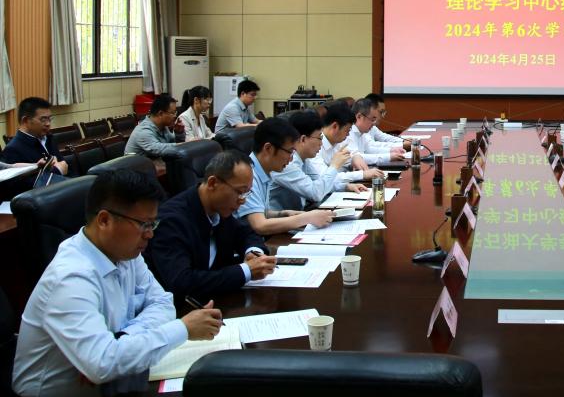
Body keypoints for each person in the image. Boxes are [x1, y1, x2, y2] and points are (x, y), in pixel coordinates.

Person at [12, 170, 222, 396]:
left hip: (115, 384)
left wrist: (122, 339)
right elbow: (102, 363)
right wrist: (183, 329)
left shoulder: (125, 253)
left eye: (153, 224)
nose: (150, 234)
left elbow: (163, 303)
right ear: (104, 220)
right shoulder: (70, 279)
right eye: (144, 224)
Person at [145, 150, 276, 300]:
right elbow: (182, 282)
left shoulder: (219, 208)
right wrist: (246, 271)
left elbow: (246, 233)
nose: (243, 200)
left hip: (217, 300)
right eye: (240, 192)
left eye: (246, 193)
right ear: (213, 183)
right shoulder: (172, 221)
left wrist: (252, 252)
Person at [234, 117, 333, 236]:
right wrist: (306, 218)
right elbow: (260, 225)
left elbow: (258, 212)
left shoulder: (264, 170)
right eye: (289, 152)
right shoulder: (249, 174)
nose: (291, 158)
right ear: (268, 148)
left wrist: (283, 214)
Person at [268, 110, 368, 212]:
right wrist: (334, 166)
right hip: (281, 219)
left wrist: (345, 186)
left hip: (299, 214)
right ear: (303, 139)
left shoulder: (304, 159)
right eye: (319, 138)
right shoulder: (288, 163)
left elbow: (319, 182)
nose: (321, 143)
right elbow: (316, 193)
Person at [1, 96, 69, 179]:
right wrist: (57, 171)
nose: (48, 124)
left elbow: (63, 165)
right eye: (43, 119)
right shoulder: (12, 149)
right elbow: (24, 184)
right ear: (25, 120)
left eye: (50, 119)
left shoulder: (49, 138)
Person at [318, 103, 385, 182]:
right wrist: (362, 175)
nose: (348, 134)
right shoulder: (316, 146)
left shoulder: (338, 141)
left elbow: (353, 155)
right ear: (335, 126)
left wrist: (355, 157)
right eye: (347, 130)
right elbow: (326, 178)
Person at [343, 98, 405, 166]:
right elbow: (356, 157)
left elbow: (368, 150)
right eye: (372, 120)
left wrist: (391, 151)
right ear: (359, 117)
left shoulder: (362, 132)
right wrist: (388, 157)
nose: (374, 123)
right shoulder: (348, 133)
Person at [125, 94, 184, 159]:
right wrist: (186, 145)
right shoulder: (143, 131)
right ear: (160, 113)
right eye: (173, 113)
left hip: (153, 163)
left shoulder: (162, 126)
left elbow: (172, 142)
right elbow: (161, 149)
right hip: (136, 165)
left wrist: (179, 133)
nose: (175, 116)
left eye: (175, 112)